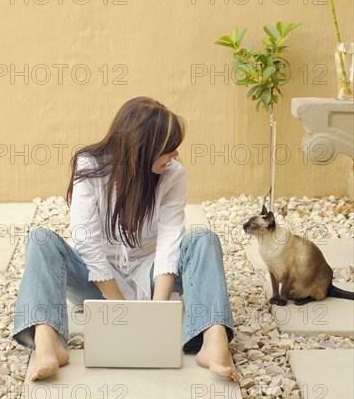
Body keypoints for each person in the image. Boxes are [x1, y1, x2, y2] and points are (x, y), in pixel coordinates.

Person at [12, 97, 239, 382]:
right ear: (142, 149)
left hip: (153, 273)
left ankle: (214, 340)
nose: (176, 154)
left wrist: (156, 315)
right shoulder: (90, 166)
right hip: (99, 284)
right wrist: (122, 311)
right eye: (168, 148)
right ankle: (48, 343)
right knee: (41, 239)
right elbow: (87, 244)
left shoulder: (172, 174)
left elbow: (170, 242)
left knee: (204, 239)